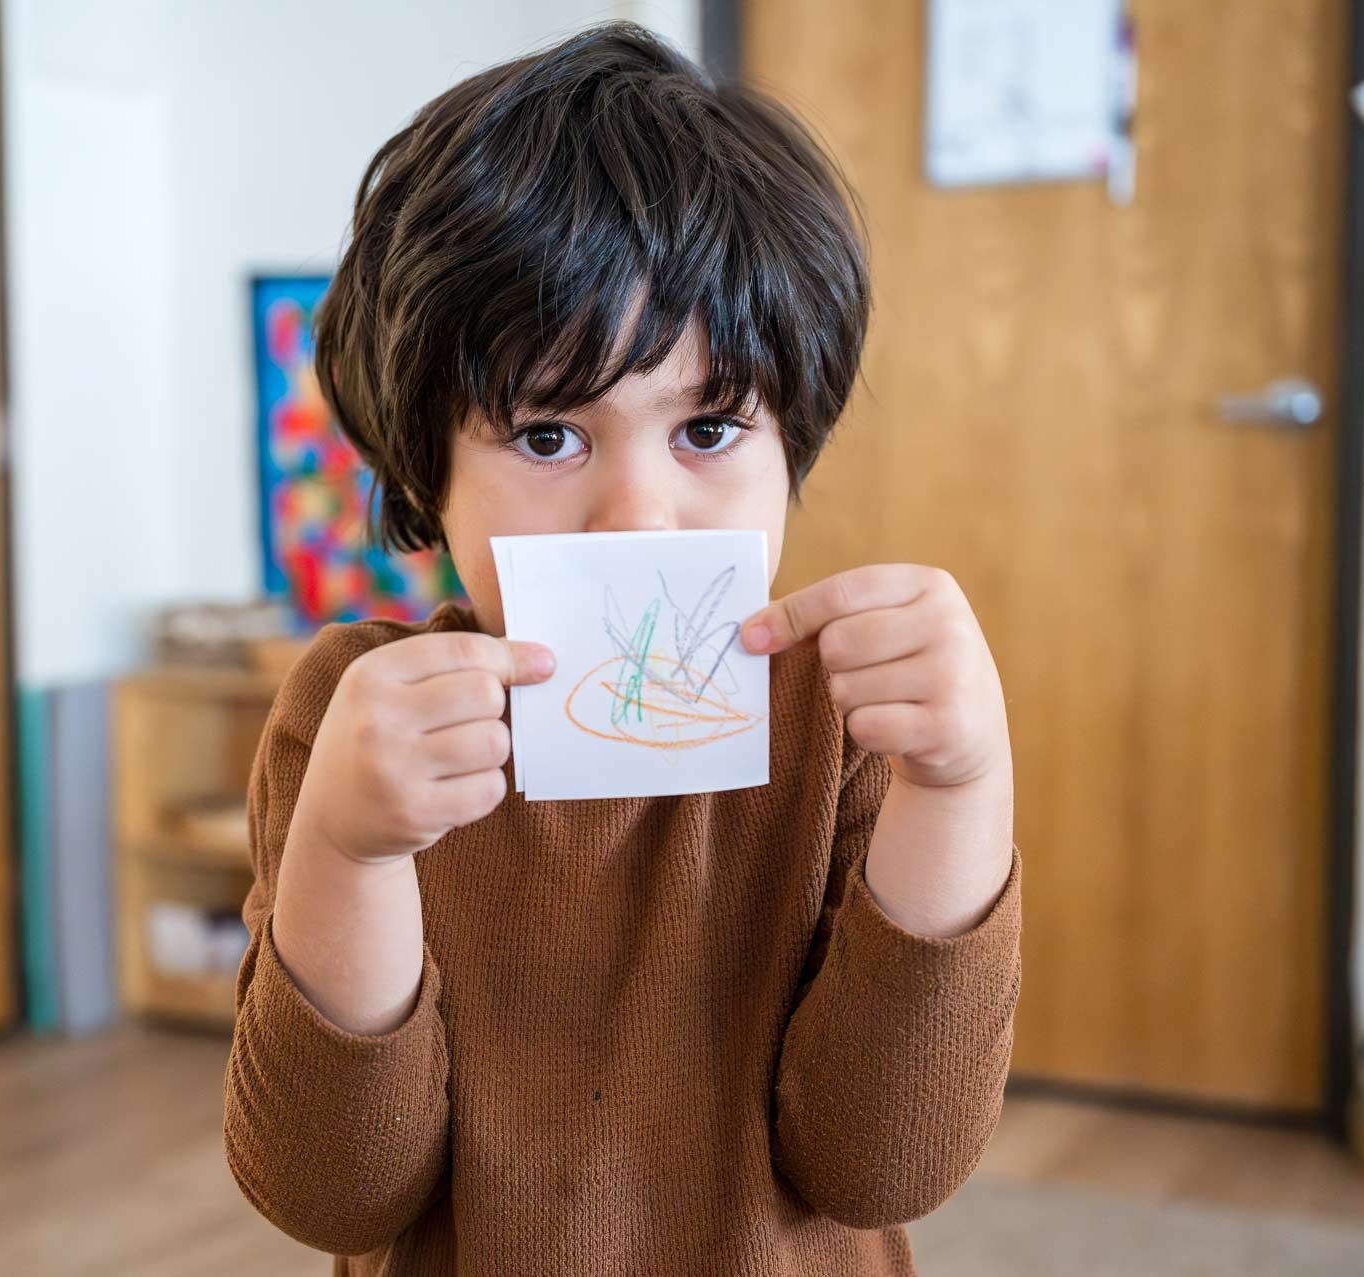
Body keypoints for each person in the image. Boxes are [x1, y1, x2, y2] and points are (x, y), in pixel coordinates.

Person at [224, 21, 1020, 1275]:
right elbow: (335, 1194)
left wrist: (959, 784)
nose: (638, 513)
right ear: (425, 474)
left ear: (790, 444)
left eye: (707, 425)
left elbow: (881, 1165)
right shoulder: (352, 717)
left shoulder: (839, 719)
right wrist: (346, 847)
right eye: (548, 437)